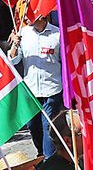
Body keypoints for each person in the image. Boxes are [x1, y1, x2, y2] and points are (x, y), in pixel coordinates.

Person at [14, 12, 65, 157]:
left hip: (52, 90)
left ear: (42, 16)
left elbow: (65, 63)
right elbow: (13, 60)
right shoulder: (23, 33)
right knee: (33, 126)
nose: (27, 17)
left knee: (48, 126)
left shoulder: (57, 35)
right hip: (31, 92)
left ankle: (48, 160)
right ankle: (41, 153)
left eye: (31, 14)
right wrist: (14, 45)